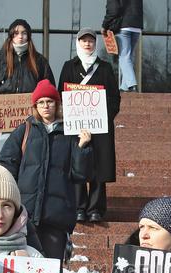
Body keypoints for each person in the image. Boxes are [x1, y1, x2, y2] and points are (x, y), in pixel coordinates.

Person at [0, 80, 92, 262]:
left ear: (57, 104)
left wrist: (82, 148)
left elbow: (81, 175)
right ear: (35, 106)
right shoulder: (24, 130)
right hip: (25, 215)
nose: (45, 106)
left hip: (56, 218)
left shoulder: (72, 134)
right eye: (40, 102)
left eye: (49, 101)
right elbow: (6, 165)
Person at [59, 27, 121, 224]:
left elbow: (114, 97)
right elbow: (62, 95)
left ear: (95, 44)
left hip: (100, 127)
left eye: (91, 40)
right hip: (76, 127)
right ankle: (79, 207)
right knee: (77, 165)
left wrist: (104, 117)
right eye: (84, 40)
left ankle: (95, 208)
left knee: (99, 167)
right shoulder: (69, 66)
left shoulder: (104, 67)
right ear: (78, 43)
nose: (87, 44)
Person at [0, 19, 55, 159]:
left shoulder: (40, 61)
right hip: (4, 125)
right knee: (3, 162)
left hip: (33, 124)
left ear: (29, 36)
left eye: (24, 33)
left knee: (31, 161)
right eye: (16, 33)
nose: (20, 36)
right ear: (11, 36)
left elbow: (48, 90)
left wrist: (44, 117)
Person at [103, 0, 143, 92]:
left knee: (124, 57)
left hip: (123, 26)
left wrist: (105, 25)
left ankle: (132, 84)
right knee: (129, 57)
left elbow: (113, 10)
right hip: (137, 27)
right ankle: (125, 86)